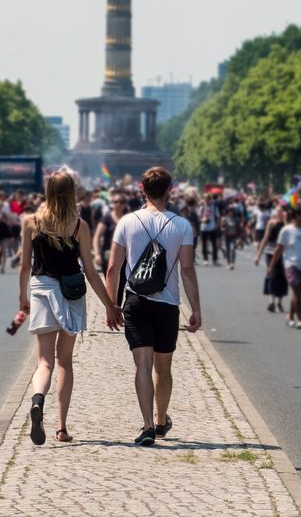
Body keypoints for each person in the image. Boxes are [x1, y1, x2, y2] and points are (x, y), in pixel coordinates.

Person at [18, 170, 120, 446]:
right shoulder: (79, 226)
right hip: (70, 294)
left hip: (41, 291)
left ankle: (38, 400)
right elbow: (90, 270)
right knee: (65, 361)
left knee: (44, 362)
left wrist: (22, 298)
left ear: (48, 192)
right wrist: (109, 305)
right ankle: (61, 427)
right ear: (71, 193)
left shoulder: (32, 222)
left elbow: (25, 265)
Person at [106, 166, 199, 447]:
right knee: (164, 367)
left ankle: (147, 426)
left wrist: (112, 304)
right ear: (169, 191)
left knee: (142, 365)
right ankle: (160, 421)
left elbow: (113, 267)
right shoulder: (182, 226)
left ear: (142, 190)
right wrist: (195, 309)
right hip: (167, 304)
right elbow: (187, 269)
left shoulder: (127, 222)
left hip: (135, 301)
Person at [268, 206, 301, 329]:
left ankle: (290, 316)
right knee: (296, 290)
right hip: (291, 265)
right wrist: (272, 265)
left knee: (298, 294)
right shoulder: (286, 230)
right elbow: (279, 249)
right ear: (295, 216)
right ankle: (300, 319)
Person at [254, 205, 287, 313]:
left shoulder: (286, 224)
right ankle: (271, 301)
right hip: (270, 252)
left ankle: (280, 302)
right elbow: (265, 238)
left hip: (284, 253)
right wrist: (258, 254)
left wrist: (285, 221)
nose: (279, 213)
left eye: (281, 211)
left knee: (282, 277)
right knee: (271, 274)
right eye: (277, 211)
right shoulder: (271, 223)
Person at [93, 191, 126, 273]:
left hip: (125, 257)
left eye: (121, 202)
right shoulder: (106, 218)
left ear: (125, 204)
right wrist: (97, 254)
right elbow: (97, 236)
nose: (118, 204)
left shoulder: (128, 218)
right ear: (112, 204)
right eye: (116, 202)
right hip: (109, 256)